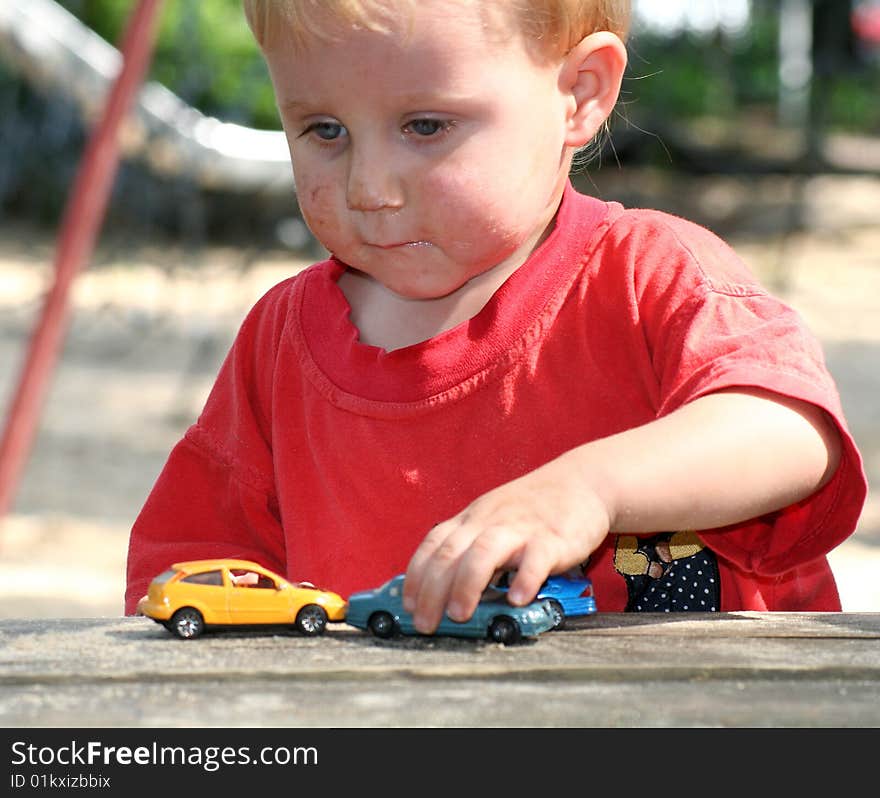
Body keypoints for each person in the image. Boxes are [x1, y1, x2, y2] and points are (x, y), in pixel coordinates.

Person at [125, 0, 867, 634]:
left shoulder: (647, 274)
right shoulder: (280, 343)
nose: (369, 187)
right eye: (324, 131)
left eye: (424, 126)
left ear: (578, 94)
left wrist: (589, 489)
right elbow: (197, 581)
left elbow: (790, 431)